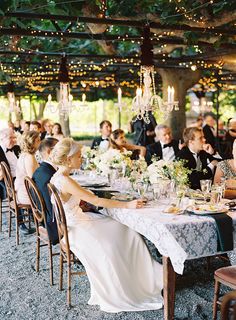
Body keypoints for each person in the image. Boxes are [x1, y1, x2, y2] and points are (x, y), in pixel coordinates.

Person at [50, 138, 163, 312]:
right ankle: (133, 285)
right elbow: (94, 200)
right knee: (122, 235)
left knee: (124, 228)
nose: (81, 159)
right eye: (79, 156)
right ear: (68, 159)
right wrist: (127, 204)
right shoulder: (66, 181)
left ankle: (146, 276)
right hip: (77, 229)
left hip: (76, 222)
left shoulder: (59, 176)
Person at [32, 138, 59, 244]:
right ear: (49, 152)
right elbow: (53, 204)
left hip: (43, 216)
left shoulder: (39, 171)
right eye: (59, 149)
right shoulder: (50, 175)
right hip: (53, 222)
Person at [15, 131, 41, 205]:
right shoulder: (30, 157)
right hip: (26, 195)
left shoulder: (24, 154)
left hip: (21, 191)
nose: (40, 142)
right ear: (31, 143)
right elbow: (32, 182)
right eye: (38, 140)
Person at [0, 128, 21, 200]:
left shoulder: (17, 148)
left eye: (14, 137)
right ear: (2, 139)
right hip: (10, 182)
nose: (14, 140)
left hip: (21, 177)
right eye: (10, 137)